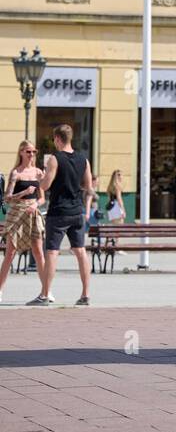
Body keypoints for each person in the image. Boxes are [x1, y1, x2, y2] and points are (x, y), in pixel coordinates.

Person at [30, 123, 92, 307]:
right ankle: (85, 294)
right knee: (80, 251)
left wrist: (39, 179)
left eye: (54, 139)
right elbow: (88, 186)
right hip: (77, 210)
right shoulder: (84, 159)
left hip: (58, 212)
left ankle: (45, 294)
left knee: (52, 252)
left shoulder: (55, 159)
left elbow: (46, 184)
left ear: (58, 139)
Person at [0, 141, 46, 303]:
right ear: (21, 152)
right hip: (17, 212)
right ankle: (0, 290)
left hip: (33, 212)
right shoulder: (16, 173)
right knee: (10, 253)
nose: (32, 154)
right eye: (28, 151)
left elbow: (42, 198)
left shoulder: (38, 172)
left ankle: (46, 291)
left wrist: (35, 203)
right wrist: (25, 192)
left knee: (39, 252)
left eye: (34, 151)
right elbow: (7, 198)